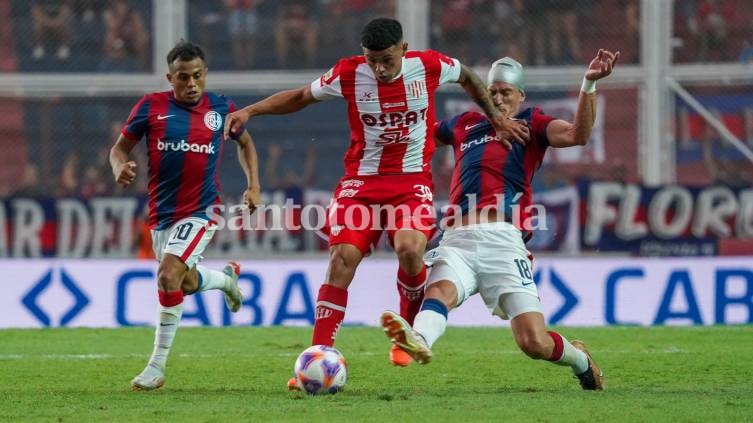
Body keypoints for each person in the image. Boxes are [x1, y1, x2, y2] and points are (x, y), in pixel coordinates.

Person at [224, 17, 529, 384]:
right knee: (342, 259)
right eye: (372, 60)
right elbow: (302, 96)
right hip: (361, 183)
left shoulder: (429, 65)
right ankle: (316, 356)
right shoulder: (349, 73)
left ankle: (408, 336)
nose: (380, 69)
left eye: (387, 59)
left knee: (410, 250)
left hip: (411, 181)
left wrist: (495, 117)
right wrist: (250, 111)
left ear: (403, 49)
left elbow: (467, 76)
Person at [380, 49, 620, 390]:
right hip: (456, 239)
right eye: (491, 92)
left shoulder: (532, 124)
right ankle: (420, 340)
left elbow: (577, 135)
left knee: (532, 342)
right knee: (440, 292)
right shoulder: (464, 123)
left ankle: (580, 359)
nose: (497, 97)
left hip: (503, 242)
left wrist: (589, 84)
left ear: (520, 96)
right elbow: (415, 137)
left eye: (505, 92)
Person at [109, 40, 262, 391]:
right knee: (186, 283)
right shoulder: (151, 106)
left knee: (167, 274)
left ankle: (156, 366)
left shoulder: (221, 108)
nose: (191, 83)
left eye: (197, 76)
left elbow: (246, 144)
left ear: (205, 74)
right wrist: (120, 166)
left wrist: (254, 185)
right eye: (183, 77)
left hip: (201, 211)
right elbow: (119, 148)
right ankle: (225, 280)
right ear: (170, 78)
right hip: (161, 215)